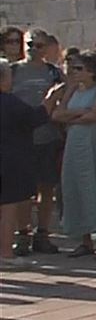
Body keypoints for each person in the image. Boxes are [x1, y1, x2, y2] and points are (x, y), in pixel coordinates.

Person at [52, 51, 96, 259]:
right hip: (74, 145)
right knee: (76, 186)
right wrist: (79, 113)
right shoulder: (73, 90)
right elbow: (57, 114)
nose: (74, 72)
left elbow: (95, 115)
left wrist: (74, 117)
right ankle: (85, 239)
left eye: (79, 69)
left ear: (92, 70)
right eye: (72, 68)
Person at [11, 28, 64, 257]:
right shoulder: (12, 71)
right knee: (22, 191)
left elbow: (65, 98)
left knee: (46, 188)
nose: (33, 49)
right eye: (30, 44)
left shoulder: (53, 73)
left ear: (47, 48)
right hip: (20, 138)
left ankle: (43, 233)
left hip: (48, 136)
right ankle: (22, 233)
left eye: (38, 45)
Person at [0, 58, 52, 268]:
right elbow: (36, 117)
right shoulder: (8, 101)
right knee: (8, 208)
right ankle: (5, 252)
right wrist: (51, 99)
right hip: (9, 161)